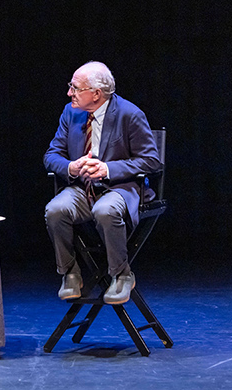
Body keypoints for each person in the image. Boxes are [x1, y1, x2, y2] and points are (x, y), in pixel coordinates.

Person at [44, 61, 160, 304]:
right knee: (55, 210)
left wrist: (108, 169)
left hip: (120, 188)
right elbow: (51, 155)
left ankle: (121, 274)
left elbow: (151, 160)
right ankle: (70, 272)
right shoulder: (70, 113)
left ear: (96, 94)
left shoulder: (129, 114)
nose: (69, 93)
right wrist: (70, 167)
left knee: (105, 210)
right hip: (82, 188)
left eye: (75, 88)